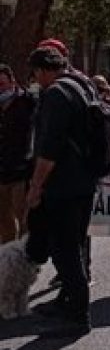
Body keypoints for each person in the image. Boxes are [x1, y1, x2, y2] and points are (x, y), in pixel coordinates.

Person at [23, 47, 99, 336]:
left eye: (35, 74)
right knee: (74, 244)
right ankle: (67, 301)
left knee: (64, 249)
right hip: (84, 181)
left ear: (42, 70)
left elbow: (50, 147)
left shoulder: (56, 94)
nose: (35, 80)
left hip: (63, 184)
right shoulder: (82, 85)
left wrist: (35, 186)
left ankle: (77, 315)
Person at [0, 63, 36, 243]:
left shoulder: (27, 101)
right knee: (4, 221)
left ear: (12, 81)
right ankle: (6, 257)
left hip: (20, 170)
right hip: (1, 170)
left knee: (23, 217)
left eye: (2, 84)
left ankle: (25, 256)